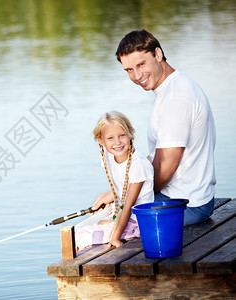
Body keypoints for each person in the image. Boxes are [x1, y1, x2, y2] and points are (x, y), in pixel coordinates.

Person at [93, 29, 216, 226]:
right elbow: (156, 158)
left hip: (184, 204)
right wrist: (120, 194)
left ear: (158, 54)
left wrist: (124, 197)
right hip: (186, 197)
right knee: (111, 210)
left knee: (105, 223)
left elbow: (165, 169)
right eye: (129, 70)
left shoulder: (176, 100)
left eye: (141, 64)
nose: (136, 75)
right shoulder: (173, 87)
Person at [75, 111, 154, 251]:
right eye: (110, 138)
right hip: (122, 214)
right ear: (101, 140)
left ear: (130, 134)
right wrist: (114, 201)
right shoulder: (108, 156)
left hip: (139, 222)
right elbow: (120, 189)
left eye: (122, 135)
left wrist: (115, 237)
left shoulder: (138, 166)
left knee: (81, 235)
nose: (117, 142)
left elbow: (129, 205)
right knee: (84, 231)